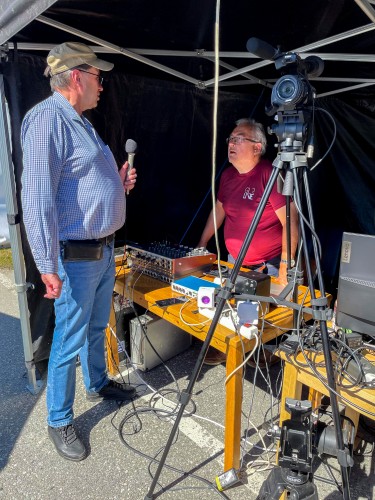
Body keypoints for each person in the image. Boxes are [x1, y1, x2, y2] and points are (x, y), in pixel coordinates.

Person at [21, 42, 138, 461]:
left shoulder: (81, 122)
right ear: (76, 77)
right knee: (68, 338)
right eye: (97, 78)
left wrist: (116, 185)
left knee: (93, 328)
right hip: (76, 258)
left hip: (103, 252)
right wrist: (47, 264)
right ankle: (58, 419)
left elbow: (79, 183)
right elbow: (37, 200)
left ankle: (98, 382)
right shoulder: (46, 121)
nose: (101, 86)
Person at [198, 118, 298, 366]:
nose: (231, 142)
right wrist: (202, 243)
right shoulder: (229, 176)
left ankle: (262, 349)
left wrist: (286, 263)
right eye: (230, 138)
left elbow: (290, 220)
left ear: (257, 147)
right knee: (233, 304)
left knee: (265, 311)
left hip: (270, 262)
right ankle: (230, 345)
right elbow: (218, 211)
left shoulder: (270, 174)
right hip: (236, 259)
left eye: (238, 138)